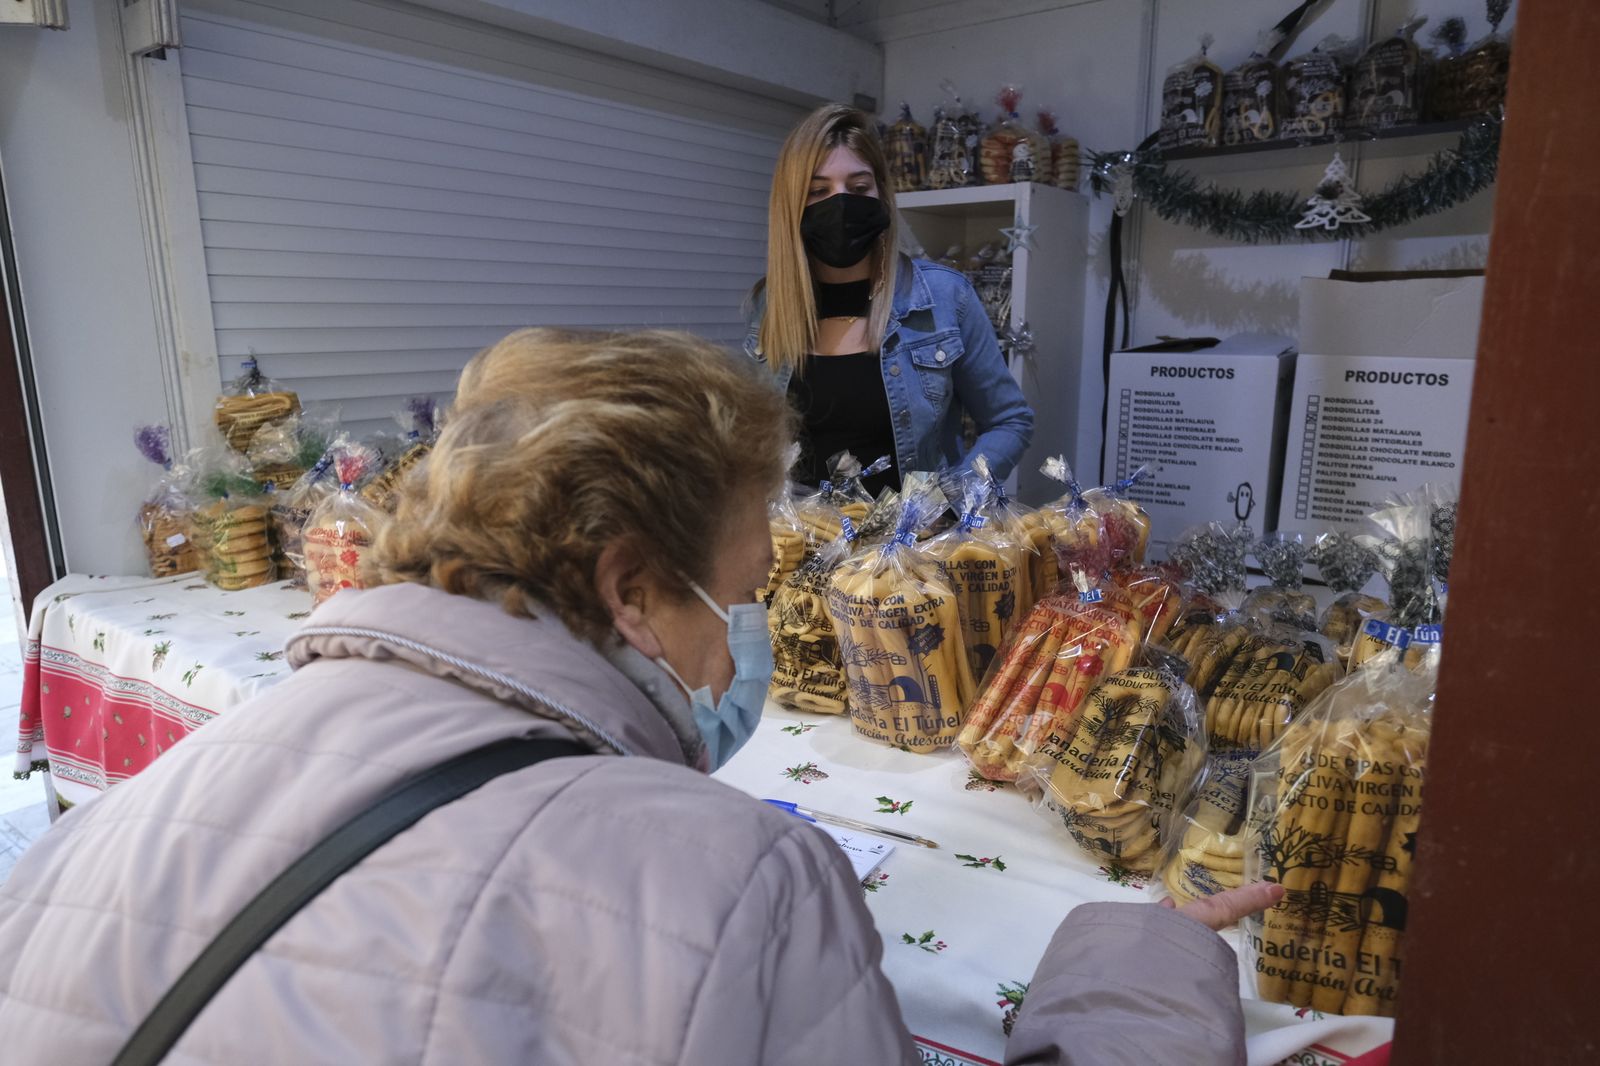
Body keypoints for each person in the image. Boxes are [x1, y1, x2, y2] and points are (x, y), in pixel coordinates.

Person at [0, 329, 1276, 1063]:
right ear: (628, 587)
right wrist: (1145, 958)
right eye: (740, 590)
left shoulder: (117, 824)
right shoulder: (735, 880)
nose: (752, 643)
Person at [746, 104, 1034, 497]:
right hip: (807, 548)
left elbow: (1010, 420)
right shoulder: (772, 305)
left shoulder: (944, 297)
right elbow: (754, 438)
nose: (841, 203)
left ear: (881, 194)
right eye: (818, 191)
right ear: (791, 206)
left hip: (912, 551)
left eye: (860, 187)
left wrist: (951, 500)